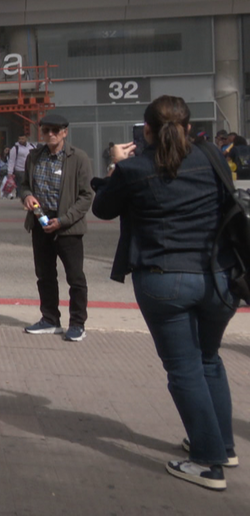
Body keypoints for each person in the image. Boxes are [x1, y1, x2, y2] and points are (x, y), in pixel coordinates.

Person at [92, 96, 239, 490]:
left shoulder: (135, 168)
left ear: (147, 131)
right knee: (208, 360)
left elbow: (103, 209)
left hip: (165, 277)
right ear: (189, 128)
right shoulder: (211, 157)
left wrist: (115, 164)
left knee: (184, 369)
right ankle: (222, 444)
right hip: (219, 277)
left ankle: (208, 463)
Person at [17, 113, 94, 342]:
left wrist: (64, 220)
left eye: (55, 130)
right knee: (45, 275)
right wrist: (27, 196)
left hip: (67, 227)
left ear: (65, 132)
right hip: (40, 223)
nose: (50, 134)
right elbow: (24, 185)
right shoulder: (34, 156)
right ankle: (50, 319)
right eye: (46, 130)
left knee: (75, 277)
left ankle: (77, 323)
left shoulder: (78, 158)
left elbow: (86, 195)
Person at [8, 133, 37, 199]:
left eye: (23, 139)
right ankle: (23, 198)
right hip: (20, 170)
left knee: (31, 186)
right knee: (22, 186)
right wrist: (10, 172)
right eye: (20, 139)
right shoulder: (15, 148)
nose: (21, 140)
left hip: (30, 170)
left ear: (26, 138)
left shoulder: (32, 146)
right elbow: (11, 160)